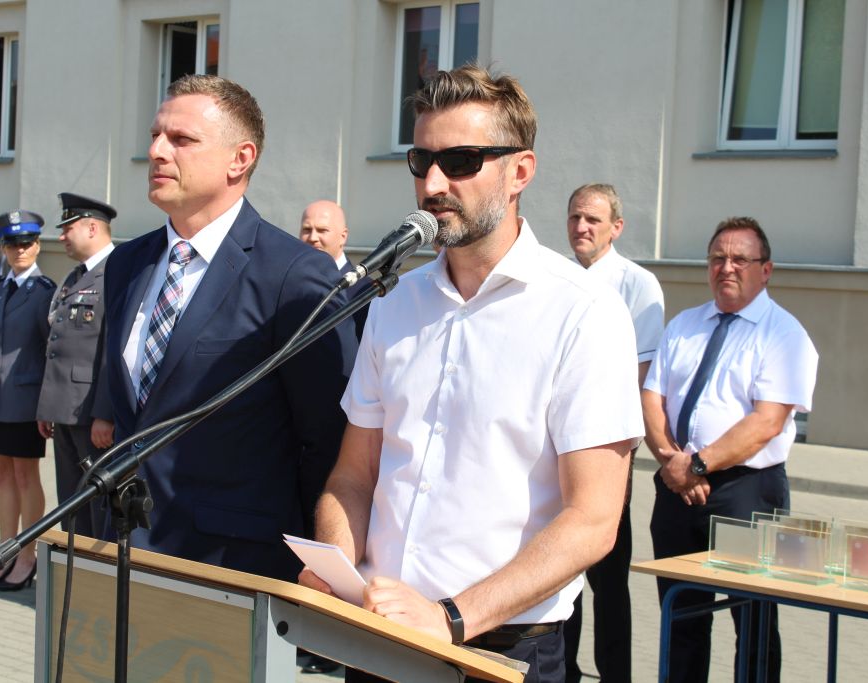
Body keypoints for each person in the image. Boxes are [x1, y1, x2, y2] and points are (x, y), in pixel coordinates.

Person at [299, 65, 644, 683]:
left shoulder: (584, 311)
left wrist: (451, 618)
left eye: (460, 161)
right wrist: (335, 565)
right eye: (421, 160)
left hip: (500, 649)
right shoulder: (394, 303)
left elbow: (593, 520)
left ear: (520, 172)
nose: (433, 183)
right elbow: (354, 475)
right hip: (379, 631)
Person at [98, 74, 357, 582]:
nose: (156, 151)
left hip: (233, 567)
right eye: (155, 135)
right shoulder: (127, 264)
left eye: (181, 139)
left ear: (240, 159)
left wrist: (315, 565)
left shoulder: (293, 275)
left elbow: (326, 439)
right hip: (125, 549)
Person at [642, 217, 818, 683]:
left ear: (766, 269)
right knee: (681, 617)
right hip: (677, 488)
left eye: (741, 259)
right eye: (718, 258)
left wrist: (696, 464)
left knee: (753, 620)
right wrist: (673, 462)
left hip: (747, 493)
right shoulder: (684, 325)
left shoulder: (784, 334)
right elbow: (652, 397)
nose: (727, 267)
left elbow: (766, 423)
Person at [563, 183, 664, 683]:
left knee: (607, 578)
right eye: (575, 218)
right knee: (560, 573)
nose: (582, 228)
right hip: (556, 448)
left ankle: (615, 675)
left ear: (616, 228)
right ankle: (564, 671)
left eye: (593, 220)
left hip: (606, 449)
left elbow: (643, 377)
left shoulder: (638, 286)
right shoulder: (556, 277)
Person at [0, 211, 56, 591]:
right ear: (3, 249)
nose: (19, 250)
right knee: (2, 476)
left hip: (26, 402)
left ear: (37, 246)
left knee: (26, 477)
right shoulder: (1, 289)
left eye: (26, 243)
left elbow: (52, 351)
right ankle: (4, 553)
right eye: (12, 244)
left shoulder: (43, 292)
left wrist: (49, 403)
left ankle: (27, 556)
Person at [36, 193, 117, 538]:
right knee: (71, 504)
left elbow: (114, 350)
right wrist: (47, 406)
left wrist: (106, 413)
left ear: (92, 228)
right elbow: (58, 345)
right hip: (64, 410)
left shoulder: (116, 272)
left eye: (68, 228)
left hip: (91, 415)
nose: (61, 236)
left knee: (98, 508)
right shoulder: (75, 275)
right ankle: (73, 568)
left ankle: (99, 571)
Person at [300, 199, 370, 340]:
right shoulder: (290, 282)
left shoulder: (365, 291)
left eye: (322, 230)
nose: (313, 238)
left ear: (343, 237)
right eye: (307, 230)